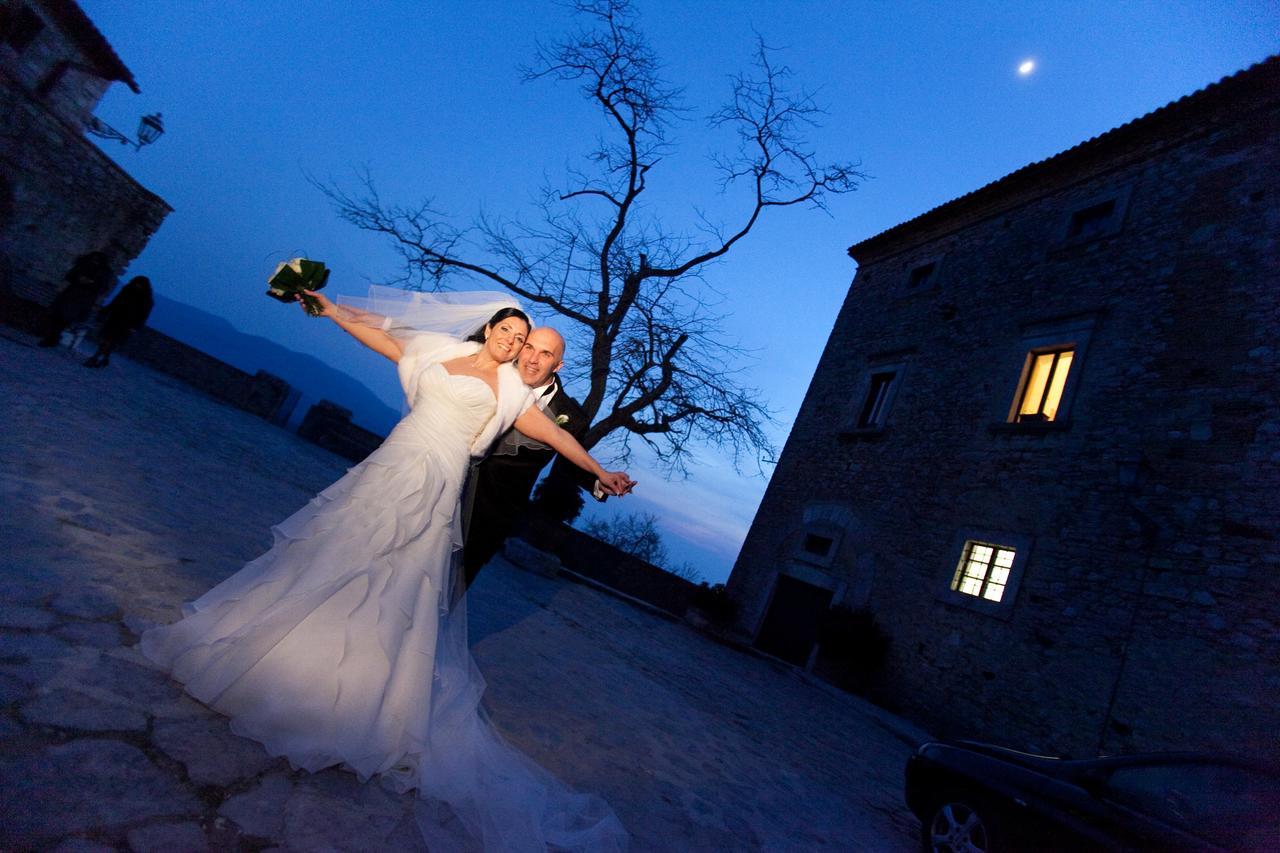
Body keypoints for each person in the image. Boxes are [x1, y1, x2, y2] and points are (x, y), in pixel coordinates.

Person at [141, 285, 633, 851]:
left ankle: (355, 700)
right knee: (338, 554)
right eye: (509, 332)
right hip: (394, 463)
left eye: (523, 340)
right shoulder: (436, 351)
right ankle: (277, 655)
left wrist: (600, 471)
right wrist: (328, 309)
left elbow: (557, 434)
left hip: (438, 483)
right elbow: (383, 336)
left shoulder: (513, 394)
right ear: (491, 328)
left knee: (396, 583)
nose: (514, 343)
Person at [462, 326, 610, 587]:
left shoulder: (570, 416)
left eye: (545, 354)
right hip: (447, 485)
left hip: (491, 514)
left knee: (453, 588)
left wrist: (599, 481)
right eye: (529, 347)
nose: (532, 359)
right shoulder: (492, 372)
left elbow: (569, 461)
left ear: (558, 365)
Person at [38, 250, 114, 347]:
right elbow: (70, 275)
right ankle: (52, 337)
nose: (95, 262)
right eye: (94, 259)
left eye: (97, 261)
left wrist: (91, 283)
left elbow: (102, 288)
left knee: (66, 318)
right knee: (57, 316)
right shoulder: (83, 265)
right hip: (71, 294)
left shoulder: (104, 273)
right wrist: (79, 279)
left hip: (84, 299)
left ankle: (52, 338)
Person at [82, 275, 154, 368]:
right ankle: (104, 359)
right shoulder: (127, 291)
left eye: (139, 284)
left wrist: (135, 326)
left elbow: (143, 315)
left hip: (126, 324)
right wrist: (106, 311)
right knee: (107, 340)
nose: (137, 286)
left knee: (109, 341)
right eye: (136, 283)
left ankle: (95, 358)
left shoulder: (146, 299)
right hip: (116, 318)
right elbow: (116, 301)